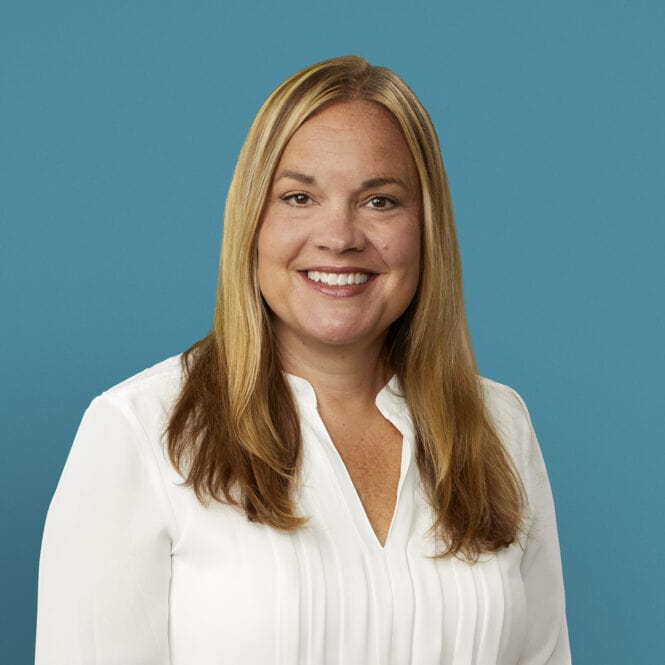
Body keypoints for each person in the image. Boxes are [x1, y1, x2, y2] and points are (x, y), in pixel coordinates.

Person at [35, 55, 571, 664]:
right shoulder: (141, 432)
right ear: (251, 223)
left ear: (427, 228)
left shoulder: (499, 426)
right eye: (298, 197)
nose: (339, 236)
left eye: (380, 202)